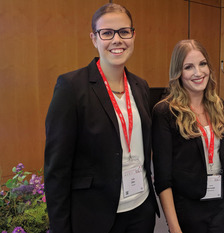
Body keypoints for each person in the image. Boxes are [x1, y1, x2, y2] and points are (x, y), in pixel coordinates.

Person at [44, 3, 159, 233]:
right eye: (107, 33)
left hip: (140, 210)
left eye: (124, 32)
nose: (117, 40)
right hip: (95, 216)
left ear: (133, 35)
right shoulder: (71, 88)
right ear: (94, 38)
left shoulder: (140, 86)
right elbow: (57, 170)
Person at [152, 39, 224, 233]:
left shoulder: (218, 105)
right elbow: (163, 178)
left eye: (202, 64)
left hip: (219, 203)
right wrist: (174, 227)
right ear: (178, 73)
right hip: (187, 207)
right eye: (189, 67)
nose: (198, 72)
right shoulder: (165, 112)